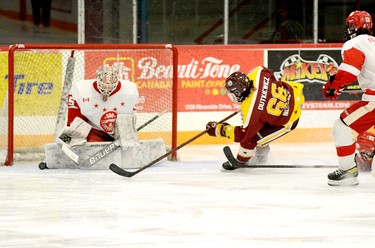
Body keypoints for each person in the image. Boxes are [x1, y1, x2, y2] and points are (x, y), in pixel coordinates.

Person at [41, 64, 166, 170]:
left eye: (110, 86)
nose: (106, 90)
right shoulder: (80, 89)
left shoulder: (129, 90)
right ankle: (58, 154)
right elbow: (74, 120)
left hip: (115, 131)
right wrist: (70, 140)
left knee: (126, 130)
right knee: (75, 131)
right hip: (92, 130)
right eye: (103, 86)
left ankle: (126, 149)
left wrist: (126, 137)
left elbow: (129, 120)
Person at [206, 66, 305, 170]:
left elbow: (244, 136)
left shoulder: (251, 111)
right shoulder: (258, 73)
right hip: (294, 92)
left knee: (252, 139)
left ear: (238, 92)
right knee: (257, 129)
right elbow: (268, 73)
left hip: (290, 117)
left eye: (232, 94)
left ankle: (248, 160)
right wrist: (265, 97)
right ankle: (260, 155)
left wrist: (220, 130)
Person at [322, 10, 375, 186]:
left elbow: (349, 71)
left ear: (353, 26)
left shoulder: (355, 43)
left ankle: (347, 171)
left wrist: (332, 86)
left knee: (341, 125)